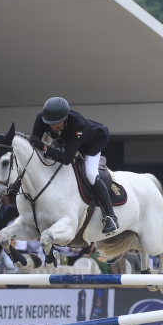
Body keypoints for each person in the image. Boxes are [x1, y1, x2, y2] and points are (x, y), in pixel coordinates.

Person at [30, 97, 118, 234]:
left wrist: (45, 148)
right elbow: (35, 141)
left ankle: (110, 216)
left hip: (91, 143)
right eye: (50, 123)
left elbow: (66, 158)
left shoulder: (78, 125)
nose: (53, 126)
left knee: (91, 175)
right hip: (67, 141)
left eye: (56, 123)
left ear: (65, 117)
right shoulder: (41, 119)